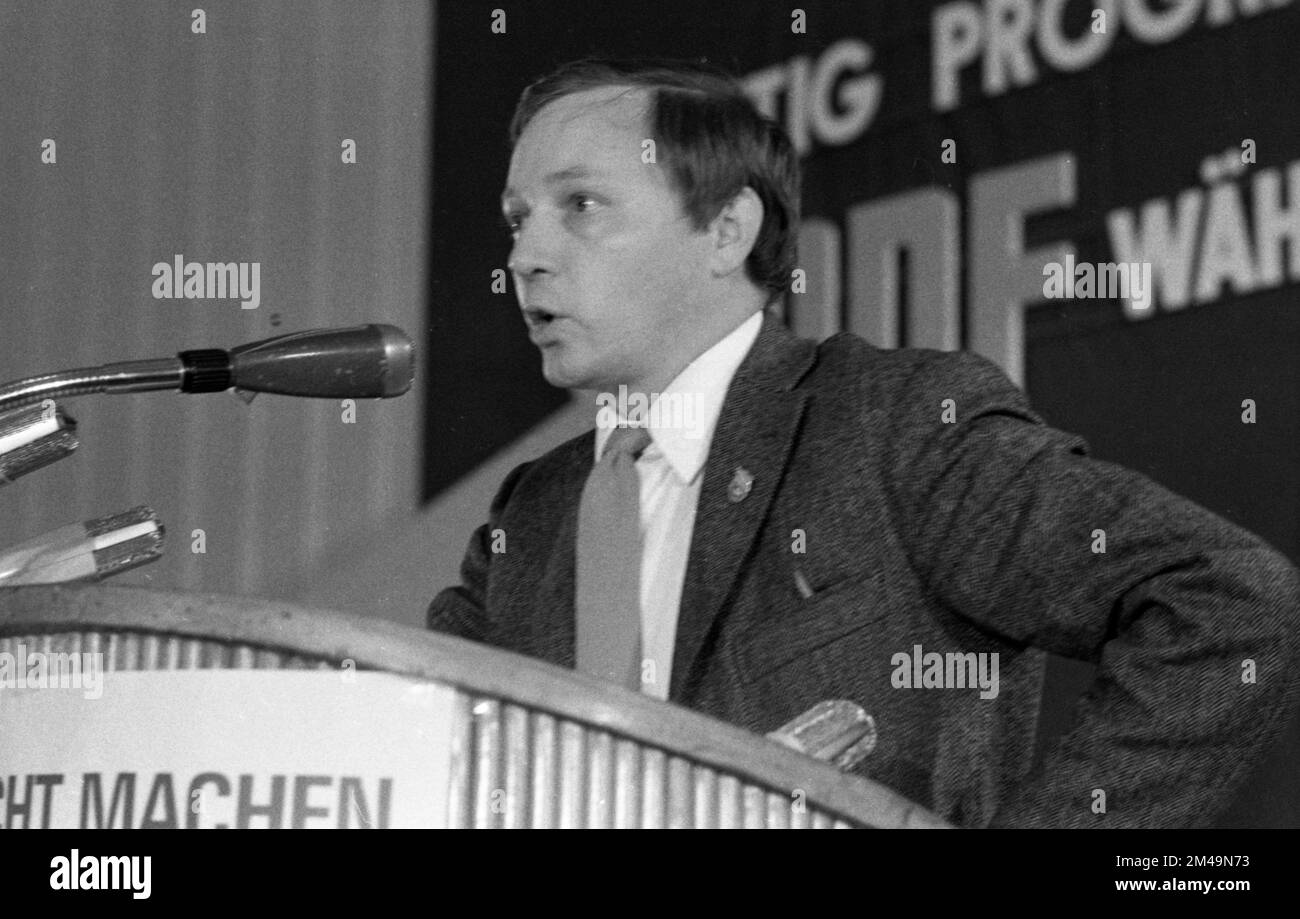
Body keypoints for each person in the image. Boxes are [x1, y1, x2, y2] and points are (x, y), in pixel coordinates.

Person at [426, 58, 1300, 828]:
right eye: (516, 218)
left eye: (580, 205)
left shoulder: (896, 424)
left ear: (726, 229)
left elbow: (1228, 600)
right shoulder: (529, 519)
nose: (526, 253)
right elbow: (423, 758)